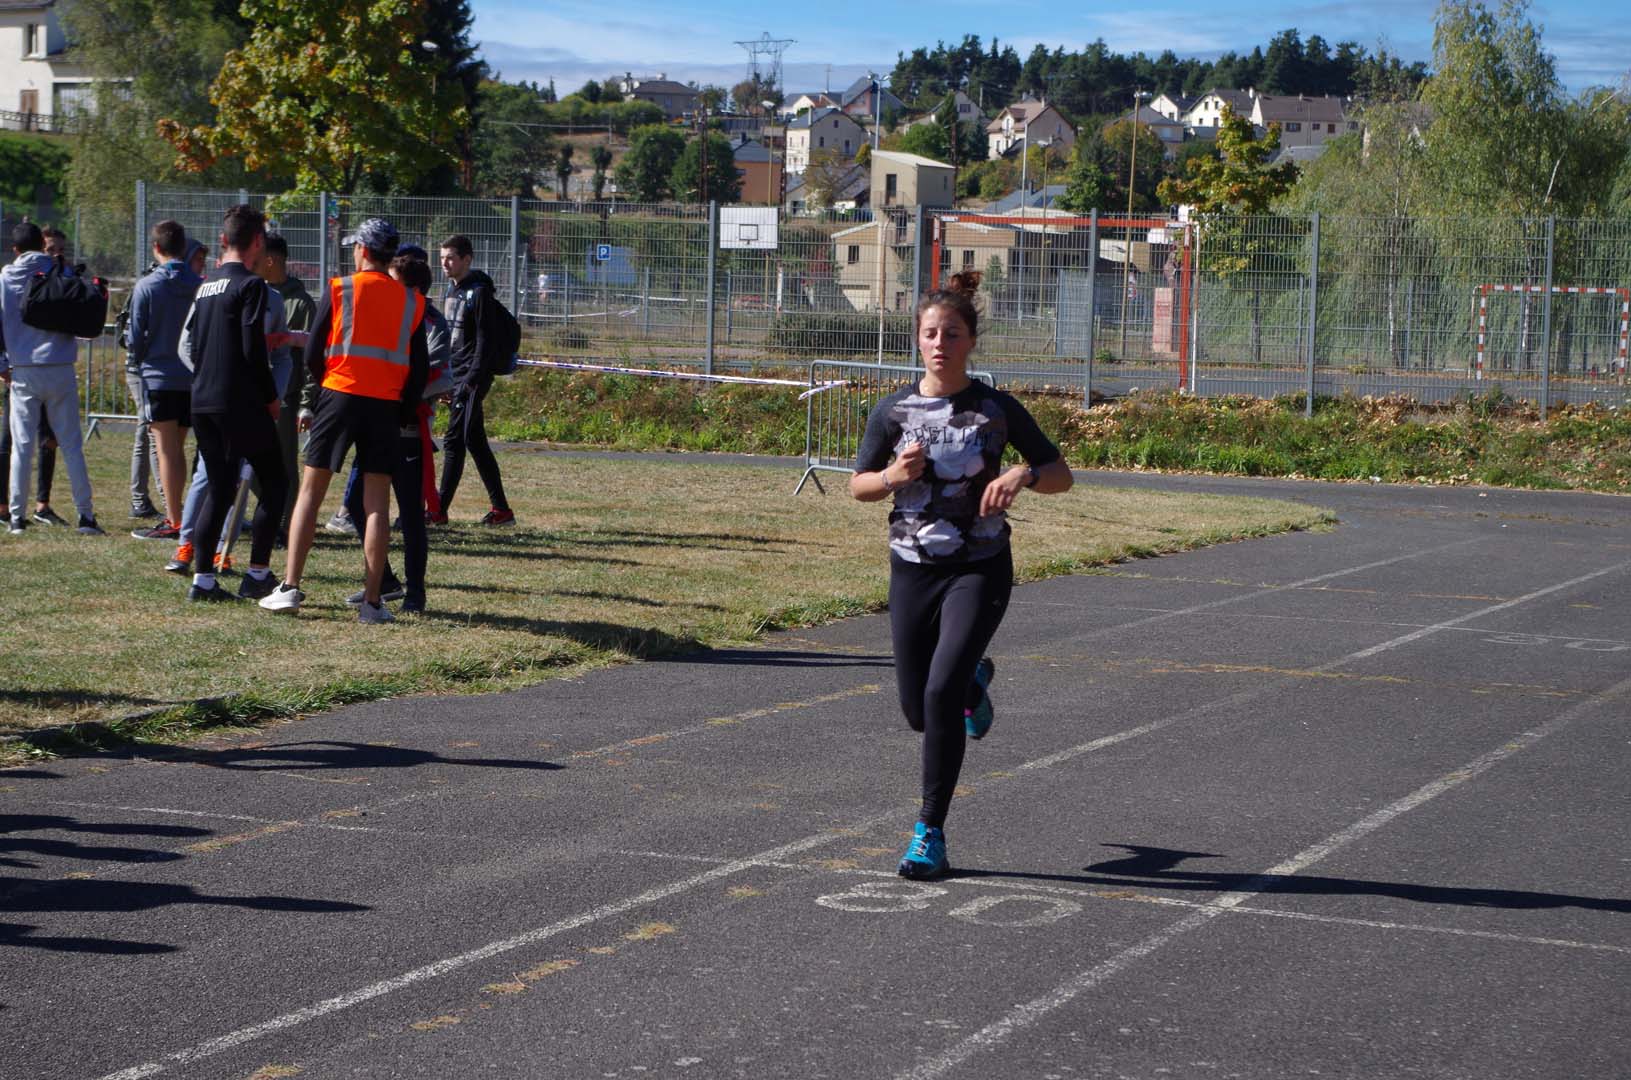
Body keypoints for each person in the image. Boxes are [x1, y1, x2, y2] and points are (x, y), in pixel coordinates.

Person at [850, 271, 1072, 880]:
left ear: (971, 341)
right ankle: (975, 680)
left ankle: (929, 834)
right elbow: (858, 486)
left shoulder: (995, 410)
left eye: (951, 332)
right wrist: (893, 478)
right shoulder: (894, 411)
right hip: (912, 567)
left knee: (939, 696)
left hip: (979, 567)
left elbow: (1060, 474)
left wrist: (1022, 476)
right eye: (929, 333)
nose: (939, 342)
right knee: (920, 712)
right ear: (916, 342)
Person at [262, 218, 428, 622]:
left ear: (363, 250)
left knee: (310, 494)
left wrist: (325, 390)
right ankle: (372, 602)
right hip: (385, 405)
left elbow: (315, 351)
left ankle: (290, 586)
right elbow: (418, 369)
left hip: (339, 394)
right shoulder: (412, 301)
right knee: (376, 504)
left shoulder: (340, 288)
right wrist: (402, 408)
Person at [183, 204, 287, 601]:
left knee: (221, 487)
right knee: (275, 483)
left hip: (203, 401)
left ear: (223, 240)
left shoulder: (205, 286)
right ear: (258, 242)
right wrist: (270, 397)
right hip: (238, 402)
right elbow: (251, 349)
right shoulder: (252, 286)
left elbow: (193, 343)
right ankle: (257, 572)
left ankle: (203, 580)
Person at [337, 252, 449, 614]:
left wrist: (403, 395)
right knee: (356, 503)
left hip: (408, 429)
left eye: (393, 281)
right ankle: (383, 580)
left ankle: (416, 593)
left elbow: (439, 375)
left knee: (410, 514)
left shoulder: (431, 322)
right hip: (375, 424)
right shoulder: (388, 312)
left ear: (412, 289)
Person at [0, 222, 102, 536]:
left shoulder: (6, 277)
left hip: (23, 368)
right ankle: (86, 516)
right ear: (41, 245)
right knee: (71, 444)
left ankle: (17, 517)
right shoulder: (60, 271)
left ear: (16, 249)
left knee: (23, 445)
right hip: (60, 365)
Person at [126, 220, 203, 542]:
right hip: (191, 377)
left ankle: (175, 520)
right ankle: (183, 514)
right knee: (179, 449)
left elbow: (135, 336)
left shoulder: (147, 286)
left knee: (166, 451)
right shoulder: (199, 284)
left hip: (159, 377)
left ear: (156, 247)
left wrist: (136, 359)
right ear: (184, 249)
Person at [433, 234, 511, 525]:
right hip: (456, 375)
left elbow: (484, 340)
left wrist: (470, 381)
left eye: (451, 257)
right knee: (474, 441)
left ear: (467, 259)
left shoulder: (478, 293)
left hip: (473, 376)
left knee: (453, 440)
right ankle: (502, 511)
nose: (445, 263)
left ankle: (438, 510)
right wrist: (446, 378)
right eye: (442, 257)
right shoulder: (450, 291)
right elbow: (452, 340)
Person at [260, 232, 315, 538]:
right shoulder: (257, 293)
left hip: (285, 396)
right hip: (256, 392)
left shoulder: (300, 302)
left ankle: (286, 524)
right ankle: (271, 509)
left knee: (285, 464)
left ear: (272, 260)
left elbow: (310, 358)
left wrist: (306, 402)